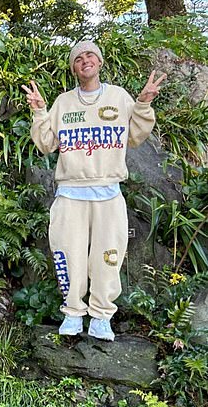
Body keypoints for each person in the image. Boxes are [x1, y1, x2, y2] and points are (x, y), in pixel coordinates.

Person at [22, 40, 166, 341]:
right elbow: (47, 144)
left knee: (108, 257)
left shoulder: (118, 97)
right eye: (78, 58)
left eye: (90, 56)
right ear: (74, 68)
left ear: (99, 62)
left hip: (108, 193)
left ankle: (101, 316)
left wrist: (142, 104)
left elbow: (137, 136)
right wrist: (39, 111)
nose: (85, 60)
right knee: (68, 256)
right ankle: (73, 313)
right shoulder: (63, 103)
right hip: (70, 195)